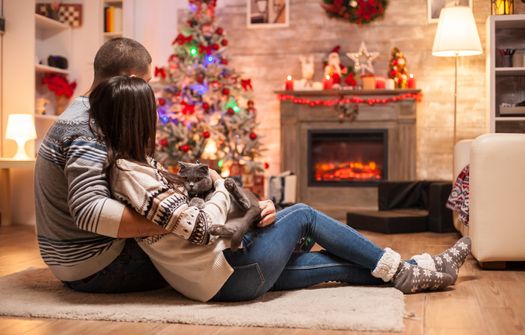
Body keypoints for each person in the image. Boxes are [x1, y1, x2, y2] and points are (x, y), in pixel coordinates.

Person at [89, 75, 472, 302]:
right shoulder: (130, 174)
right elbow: (201, 228)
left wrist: (230, 199)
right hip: (226, 271)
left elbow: (191, 215)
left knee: (328, 267)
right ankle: (410, 269)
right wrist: (223, 186)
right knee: (303, 214)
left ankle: (416, 269)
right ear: (137, 118)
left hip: (223, 277)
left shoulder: (138, 167)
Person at [34, 37, 277, 293]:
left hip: (74, 261)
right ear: (129, 80)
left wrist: (179, 207)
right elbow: (89, 211)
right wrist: (175, 218)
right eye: (147, 82)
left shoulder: (85, 115)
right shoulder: (88, 127)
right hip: (97, 264)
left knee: (236, 238)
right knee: (230, 250)